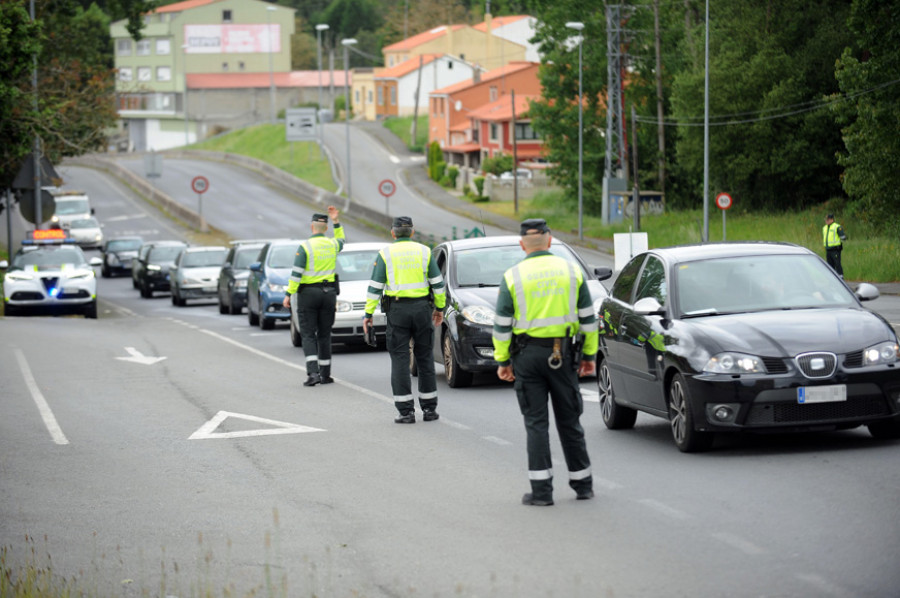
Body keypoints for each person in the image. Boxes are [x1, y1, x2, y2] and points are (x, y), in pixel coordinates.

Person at [492, 218, 598, 506]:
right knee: (569, 420)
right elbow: (589, 319)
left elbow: (501, 325)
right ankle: (583, 484)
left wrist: (502, 360)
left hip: (526, 357)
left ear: (522, 244)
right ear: (550, 241)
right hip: (562, 355)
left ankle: (541, 493)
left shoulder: (513, 276)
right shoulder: (571, 271)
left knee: (536, 424)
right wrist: (589, 356)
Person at [362, 216, 446, 423]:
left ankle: (406, 412)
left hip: (398, 310)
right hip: (422, 310)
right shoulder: (425, 252)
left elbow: (375, 287)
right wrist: (440, 308)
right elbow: (438, 284)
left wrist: (368, 314)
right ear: (412, 232)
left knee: (400, 358)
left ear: (392, 233)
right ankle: (429, 410)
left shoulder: (385, 254)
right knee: (425, 357)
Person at [282, 206, 344, 386]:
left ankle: (313, 374)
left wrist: (288, 294)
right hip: (329, 294)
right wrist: (336, 221)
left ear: (312, 228)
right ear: (325, 229)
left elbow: (296, 275)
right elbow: (342, 239)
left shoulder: (304, 247)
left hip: (308, 294)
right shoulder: (332, 244)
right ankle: (325, 375)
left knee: (308, 334)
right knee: (324, 334)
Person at [822, 213, 848, 278]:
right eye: (826, 220)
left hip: (835, 249)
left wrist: (842, 236)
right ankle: (832, 278)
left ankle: (840, 277)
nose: (826, 221)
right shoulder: (824, 228)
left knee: (837, 264)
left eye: (828, 220)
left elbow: (843, 237)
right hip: (828, 250)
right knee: (830, 265)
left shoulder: (837, 227)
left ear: (832, 220)